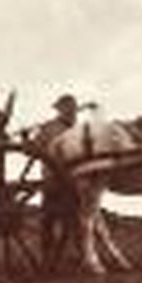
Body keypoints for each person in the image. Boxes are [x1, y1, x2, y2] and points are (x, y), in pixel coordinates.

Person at [29, 94, 97, 272]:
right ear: (60, 111)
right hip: (52, 181)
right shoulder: (49, 129)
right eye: (67, 109)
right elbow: (32, 150)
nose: (71, 113)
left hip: (74, 182)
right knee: (48, 221)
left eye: (73, 110)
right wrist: (29, 142)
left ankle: (78, 256)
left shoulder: (80, 130)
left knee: (75, 220)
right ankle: (47, 258)